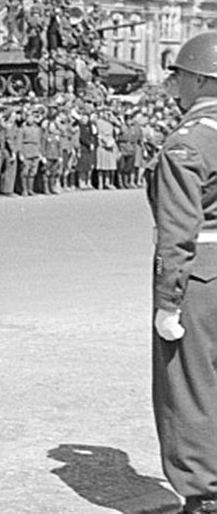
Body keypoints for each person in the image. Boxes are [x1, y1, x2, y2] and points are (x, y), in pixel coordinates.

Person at [151, 31, 217, 514]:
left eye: (180, 77)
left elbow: (177, 231)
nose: (176, 87)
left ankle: (203, 495)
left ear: (199, 80)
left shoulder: (187, 143)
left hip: (200, 279)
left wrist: (167, 301)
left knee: (189, 391)